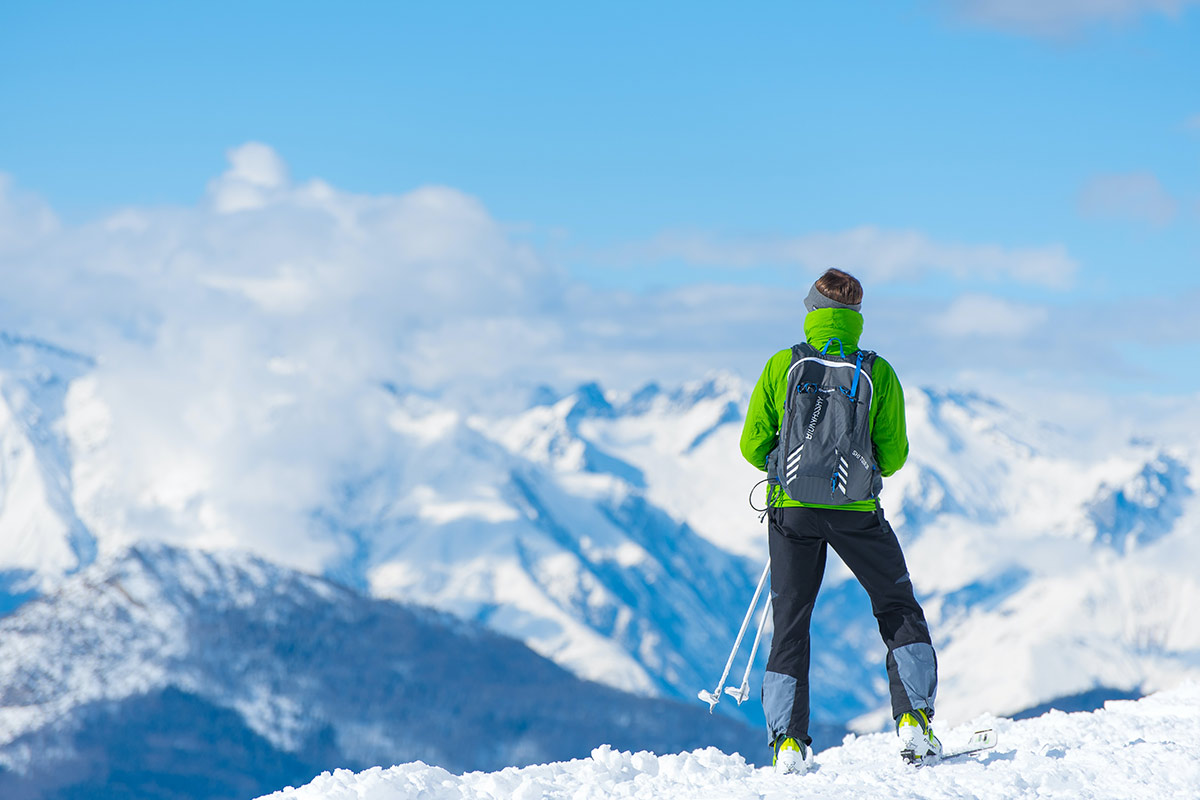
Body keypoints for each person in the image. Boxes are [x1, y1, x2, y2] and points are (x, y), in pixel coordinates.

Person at [739, 268, 940, 774]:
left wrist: (788, 469)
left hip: (792, 510)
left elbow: (751, 444)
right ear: (857, 316)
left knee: (791, 621)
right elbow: (893, 454)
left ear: (811, 310)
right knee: (896, 606)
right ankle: (914, 719)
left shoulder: (783, 366)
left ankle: (788, 743)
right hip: (855, 512)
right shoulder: (878, 371)